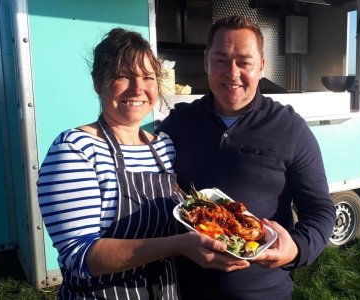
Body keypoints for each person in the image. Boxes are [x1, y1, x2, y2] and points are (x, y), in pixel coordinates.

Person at [37, 28, 245, 299]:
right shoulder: (75, 149)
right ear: (98, 82)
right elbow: (81, 256)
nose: (138, 89)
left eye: (148, 77)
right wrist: (178, 246)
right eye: (123, 76)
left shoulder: (163, 146)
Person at [157, 15, 336, 299]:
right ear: (206, 62)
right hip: (184, 290)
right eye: (221, 60)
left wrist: (297, 248)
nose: (232, 72)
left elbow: (320, 208)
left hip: (263, 291)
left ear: (262, 66)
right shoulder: (178, 123)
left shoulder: (290, 128)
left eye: (244, 62)